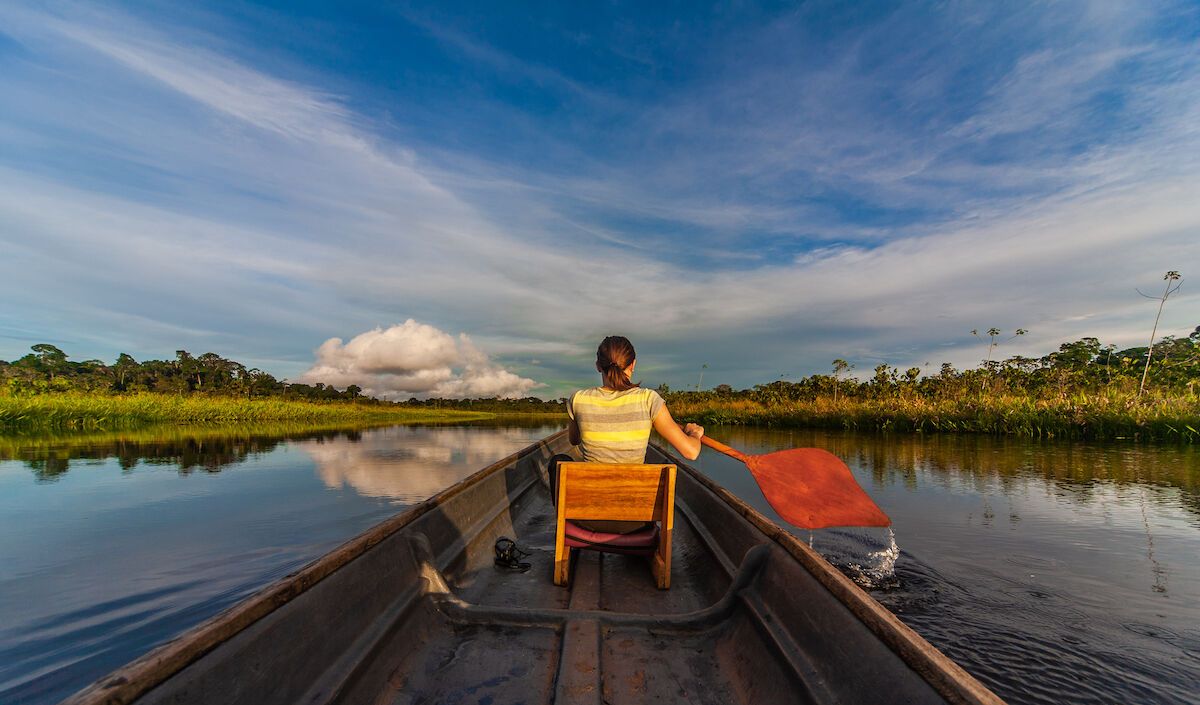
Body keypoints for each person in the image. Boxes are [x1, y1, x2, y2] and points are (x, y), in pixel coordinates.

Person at [548, 335, 704, 533]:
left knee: (558, 460)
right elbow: (691, 452)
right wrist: (694, 433)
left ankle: (567, 528)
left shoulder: (578, 399)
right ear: (633, 364)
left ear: (598, 365)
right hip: (636, 521)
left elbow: (573, 440)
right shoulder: (649, 399)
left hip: (585, 518)